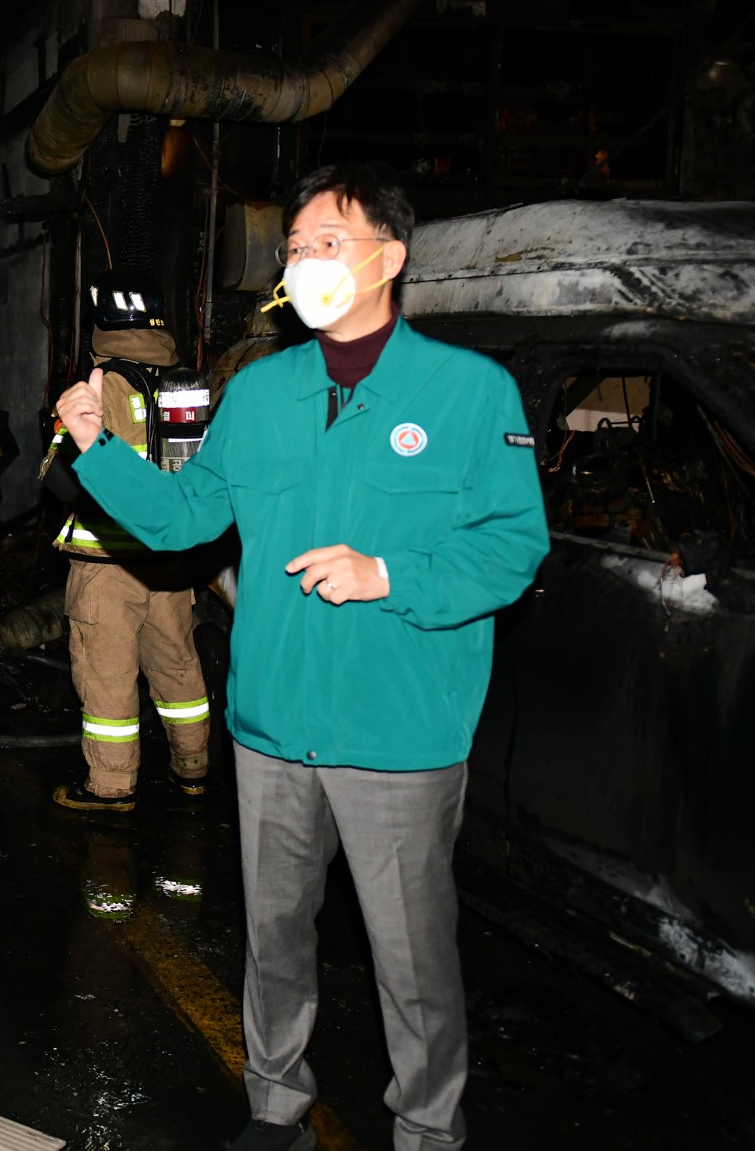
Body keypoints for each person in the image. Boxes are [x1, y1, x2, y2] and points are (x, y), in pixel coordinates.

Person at [55, 162, 548, 1151]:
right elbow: (184, 518)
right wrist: (94, 448)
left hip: (397, 734)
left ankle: (427, 1131)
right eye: (294, 247)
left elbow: (512, 545)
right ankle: (275, 1107)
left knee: (411, 962)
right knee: (273, 940)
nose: (305, 261)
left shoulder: (467, 391)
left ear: (390, 257)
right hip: (274, 727)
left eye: (329, 241)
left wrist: (387, 573)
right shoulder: (262, 393)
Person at [43, 271, 212, 812]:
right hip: (171, 561)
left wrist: (65, 433)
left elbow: (60, 479)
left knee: (107, 675)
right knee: (178, 665)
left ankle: (111, 786)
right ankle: (192, 767)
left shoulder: (103, 386)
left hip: (108, 562)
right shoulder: (183, 383)